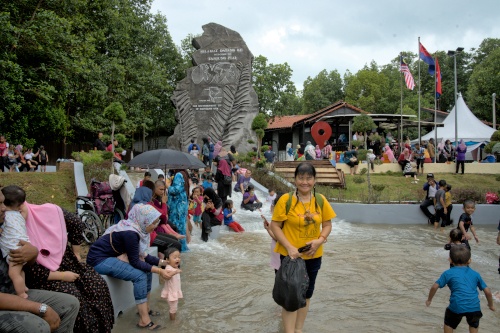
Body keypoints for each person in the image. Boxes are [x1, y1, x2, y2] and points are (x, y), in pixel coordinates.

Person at [11, 187, 114, 332]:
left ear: (23, 203)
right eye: (13, 213)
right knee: (74, 296)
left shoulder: (48, 211)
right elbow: (31, 271)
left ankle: (103, 329)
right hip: (44, 276)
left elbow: (76, 224)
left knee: (97, 284)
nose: (18, 216)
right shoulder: (14, 232)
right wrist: (63, 276)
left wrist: (76, 253)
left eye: (20, 210)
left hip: (68, 263)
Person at [87, 204, 179, 331]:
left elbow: (144, 257)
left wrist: (165, 263)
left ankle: (145, 309)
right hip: (98, 260)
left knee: (147, 270)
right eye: (152, 223)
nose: (155, 226)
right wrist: (160, 271)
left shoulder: (136, 229)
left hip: (110, 256)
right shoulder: (131, 233)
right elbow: (136, 262)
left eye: (156, 222)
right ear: (143, 221)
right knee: (140, 275)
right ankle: (144, 320)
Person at [270, 162, 335, 333]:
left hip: (314, 256)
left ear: (314, 180)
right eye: (301, 178)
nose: (304, 182)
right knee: (290, 296)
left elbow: (327, 225)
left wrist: (320, 240)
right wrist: (290, 247)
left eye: (308, 178)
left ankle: (298, 330)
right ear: (295, 179)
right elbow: (275, 226)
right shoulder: (286, 200)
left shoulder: (320, 200)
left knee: (306, 295)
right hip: (291, 257)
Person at [0, 198, 79, 333]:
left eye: (4, 202)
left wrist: (32, 254)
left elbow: (23, 263)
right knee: (38, 326)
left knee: (71, 303)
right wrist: (41, 308)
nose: (4, 208)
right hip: (8, 297)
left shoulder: (8, 226)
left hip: (15, 291)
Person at [425, 246, 495, 332]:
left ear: (450, 260)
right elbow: (488, 292)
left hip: (456, 306)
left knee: (449, 324)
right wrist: (490, 305)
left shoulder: (448, 273)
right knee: (474, 325)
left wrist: (429, 300)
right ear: (469, 260)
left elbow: (434, 287)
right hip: (474, 307)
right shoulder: (475, 274)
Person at [0, 186, 31, 298]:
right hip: (24, 246)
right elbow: (24, 213)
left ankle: (21, 294)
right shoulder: (20, 216)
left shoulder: (5, 217)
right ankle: (24, 287)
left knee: (13, 274)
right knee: (19, 271)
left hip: (13, 251)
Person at [149, 181, 183, 253]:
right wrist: (164, 203)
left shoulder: (158, 199)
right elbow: (163, 217)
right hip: (154, 228)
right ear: (154, 189)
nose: (162, 192)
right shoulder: (152, 201)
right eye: (160, 189)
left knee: (172, 227)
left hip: (159, 223)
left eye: (164, 190)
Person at [168, 173, 189, 252]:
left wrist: (168, 186)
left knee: (176, 230)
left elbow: (174, 191)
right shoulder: (183, 190)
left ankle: (178, 249)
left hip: (176, 214)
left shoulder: (175, 189)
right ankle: (181, 248)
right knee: (180, 231)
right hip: (180, 215)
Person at [160, 247, 183, 321]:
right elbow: (167, 277)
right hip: (171, 293)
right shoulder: (168, 268)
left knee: (174, 308)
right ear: (167, 260)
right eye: (175, 257)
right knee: (173, 309)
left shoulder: (174, 267)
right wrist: (175, 272)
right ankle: (173, 322)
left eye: (179, 257)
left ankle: (173, 318)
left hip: (174, 291)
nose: (177, 259)